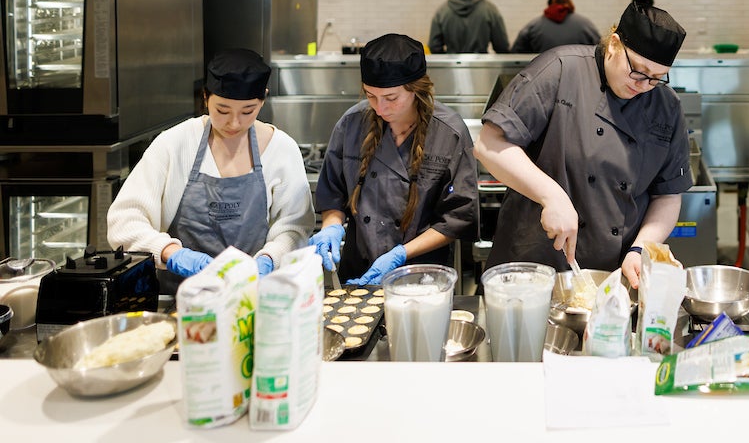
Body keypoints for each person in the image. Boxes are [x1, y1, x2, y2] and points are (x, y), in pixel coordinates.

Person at [474, 1, 693, 288]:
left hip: (616, 273)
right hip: (536, 263)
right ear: (614, 44)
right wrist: (552, 196)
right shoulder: (561, 69)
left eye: (656, 78)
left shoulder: (665, 105)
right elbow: (488, 144)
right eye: (638, 71)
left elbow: (667, 195)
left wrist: (641, 248)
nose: (643, 85)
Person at [107, 49, 313, 293]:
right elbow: (124, 222)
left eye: (248, 111)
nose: (234, 123)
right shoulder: (174, 144)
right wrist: (171, 253)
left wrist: (270, 258)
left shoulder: (281, 149)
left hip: (256, 300)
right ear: (205, 97)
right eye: (222, 111)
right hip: (181, 304)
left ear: (263, 99)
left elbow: (295, 227)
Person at [310, 34, 478, 285]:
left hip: (423, 279)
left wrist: (400, 255)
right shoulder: (351, 124)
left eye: (391, 98)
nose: (380, 108)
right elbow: (332, 194)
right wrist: (331, 227)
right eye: (370, 96)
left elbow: (458, 218)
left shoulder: (448, 132)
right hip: (358, 273)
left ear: (416, 89)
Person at [428, 0, 510, 54]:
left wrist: (448, 60)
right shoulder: (491, 10)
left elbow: (434, 46)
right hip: (481, 66)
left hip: (451, 66)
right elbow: (502, 46)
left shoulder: (442, 11)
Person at [510, 0, 601, 54]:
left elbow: (516, 54)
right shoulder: (586, 25)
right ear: (569, 1)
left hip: (543, 77)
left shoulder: (533, 26)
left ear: (549, 2)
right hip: (578, 76)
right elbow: (601, 50)